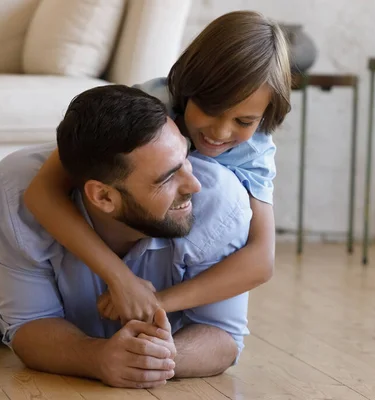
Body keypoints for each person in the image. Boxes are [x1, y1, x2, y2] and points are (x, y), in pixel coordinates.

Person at [0, 85, 253, 388]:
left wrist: (157, 358)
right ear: (103, 197)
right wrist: (98, 358)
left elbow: (223, 336)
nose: (194, 185)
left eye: (186, 158)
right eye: (166, 179)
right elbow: (30, 326)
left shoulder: (219, 200)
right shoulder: (16, 190)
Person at [21, 10, 292, 324]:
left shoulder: (255, 148)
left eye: (244, 121)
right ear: (189, 88)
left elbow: (261, 260)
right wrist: (119, 278)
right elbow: (42, 191)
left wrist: (154, 302)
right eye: (210, 109)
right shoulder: (147, 105)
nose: (220, 132)